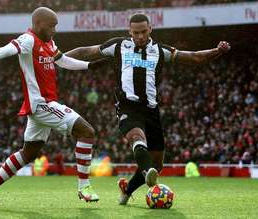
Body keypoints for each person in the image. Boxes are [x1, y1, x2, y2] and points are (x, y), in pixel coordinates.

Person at [65, 13, 231, 205]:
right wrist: (58, 58)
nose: (141, 36)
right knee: (137, 138)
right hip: (128, 105)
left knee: (158, 164)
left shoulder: (161, 51)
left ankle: (128, 189)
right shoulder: (118, 46)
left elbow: (193, 57)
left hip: (151, 110)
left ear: (150, 29)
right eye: (136, 32)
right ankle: (146, 172)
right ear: (129, 32)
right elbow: (86, 51)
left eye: (144, 31)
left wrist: (217, 50)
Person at [0, 7, 99, 207]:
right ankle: (84, 186)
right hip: (41, 104)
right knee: (87, 132)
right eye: (51, 26)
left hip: (41, 106)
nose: (54, 30)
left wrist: (88, 66)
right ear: (38, 24)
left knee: (29, 153)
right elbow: (8, 49)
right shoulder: (28, 40)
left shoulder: (49, 42)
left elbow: (62, 60)